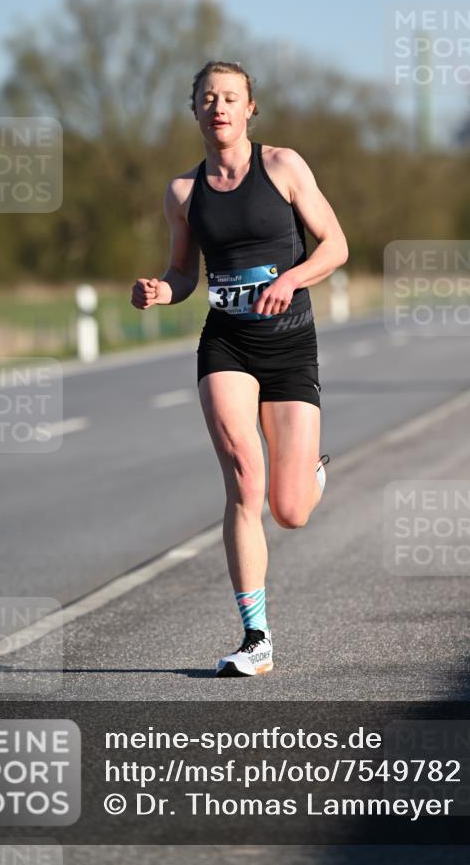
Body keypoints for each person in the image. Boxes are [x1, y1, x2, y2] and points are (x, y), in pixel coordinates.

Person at [131, 60, 348, 676]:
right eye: (207, 98)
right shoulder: (182, 192)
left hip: (289, 344)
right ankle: (256, 637)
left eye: (230, 97)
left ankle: (311, 474)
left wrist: (293, 278)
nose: (219, 107)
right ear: (194, 110)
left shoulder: (283, 166)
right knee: (243, 482)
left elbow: (336, 244)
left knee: (290, 508)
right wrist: (159, 290)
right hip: (225, 344)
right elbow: (182, 274)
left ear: (250, 108)